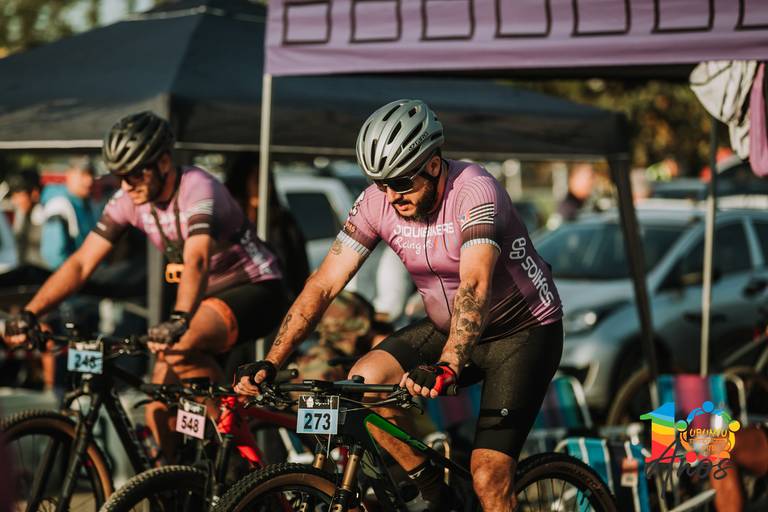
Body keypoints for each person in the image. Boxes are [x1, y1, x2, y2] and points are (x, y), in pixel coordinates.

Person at [235, 99, 564, 511]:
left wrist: (447, 365)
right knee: (364, 383)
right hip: (448, 326)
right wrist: (272, 361)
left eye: (402, 182)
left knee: (488, 475)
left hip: (521, 332)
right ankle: (437, 494)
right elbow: (323, 284)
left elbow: (475, 285)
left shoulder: (476, 190)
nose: (392, 196)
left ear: (433, 164)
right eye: (381, 183)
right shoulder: (377, 201)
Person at [4, 111, 289, 461]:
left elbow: (197, 260)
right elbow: (80, 263)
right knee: (157, 407)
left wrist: (179, 319)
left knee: (179, 345)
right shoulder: (129, 200)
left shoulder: (198, 187)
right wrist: (31, 312)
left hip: (256, 287)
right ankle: (176, 479)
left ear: (164, 162)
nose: (126, 184)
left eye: (135, 173)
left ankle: (236, 451)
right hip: (202, 299)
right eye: (119, 175)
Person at [225, 152, 310, 298]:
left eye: (268, 180)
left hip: (278, 298)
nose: (265, 187)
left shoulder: (283, 222)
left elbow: (298, 268)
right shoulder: (228, 221)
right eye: (257, 180)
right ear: (242, 182)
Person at [39, 156, 100, 270]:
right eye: (83, 174)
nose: (89, 180)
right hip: (74, 275)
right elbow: (54, 257)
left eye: (91, 174)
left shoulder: (87, 202)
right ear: (69, 175)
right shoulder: (59, 206)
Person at [7, 168, 45, 268]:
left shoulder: (46, 216)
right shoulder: (21, 213)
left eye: (18, 196)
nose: (14, 201)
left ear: (34, 193)